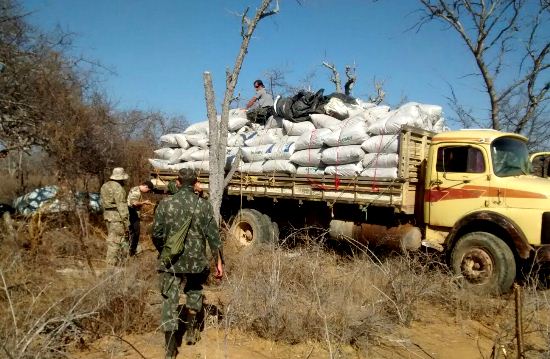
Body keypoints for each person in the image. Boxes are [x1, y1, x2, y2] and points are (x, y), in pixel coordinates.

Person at [151, 169, 223, 357]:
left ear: (178, 181)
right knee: (194, 291)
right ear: (195, 183)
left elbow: (156, 234)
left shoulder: (165, 204)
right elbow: (213, 237)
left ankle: (170, 349)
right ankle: (191, 332)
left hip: (171, 261)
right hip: (196, 261)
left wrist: (165, 250)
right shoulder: (204, 205)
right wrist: (219, 262)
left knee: (169, 299)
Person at [100, 167, 130, 266]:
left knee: (113, 240)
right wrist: (127, 223)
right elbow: (122, 207)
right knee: (115, 242)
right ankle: (112, 267)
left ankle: (118, 264)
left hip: (107, 217)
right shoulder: (118, 188)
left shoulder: (105, 186)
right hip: (117, 218)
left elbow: (103, 203)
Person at [127, 180, 154, 256]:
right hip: (132, 214)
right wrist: (144, 202)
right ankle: (132, 252)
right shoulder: (137, 191)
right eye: (148, 190)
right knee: (135, 233)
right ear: (145, 186)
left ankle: (130, 250)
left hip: (132, 213)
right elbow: (134, 203)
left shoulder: (135, 189)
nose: (147, 192)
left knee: (132, 233)